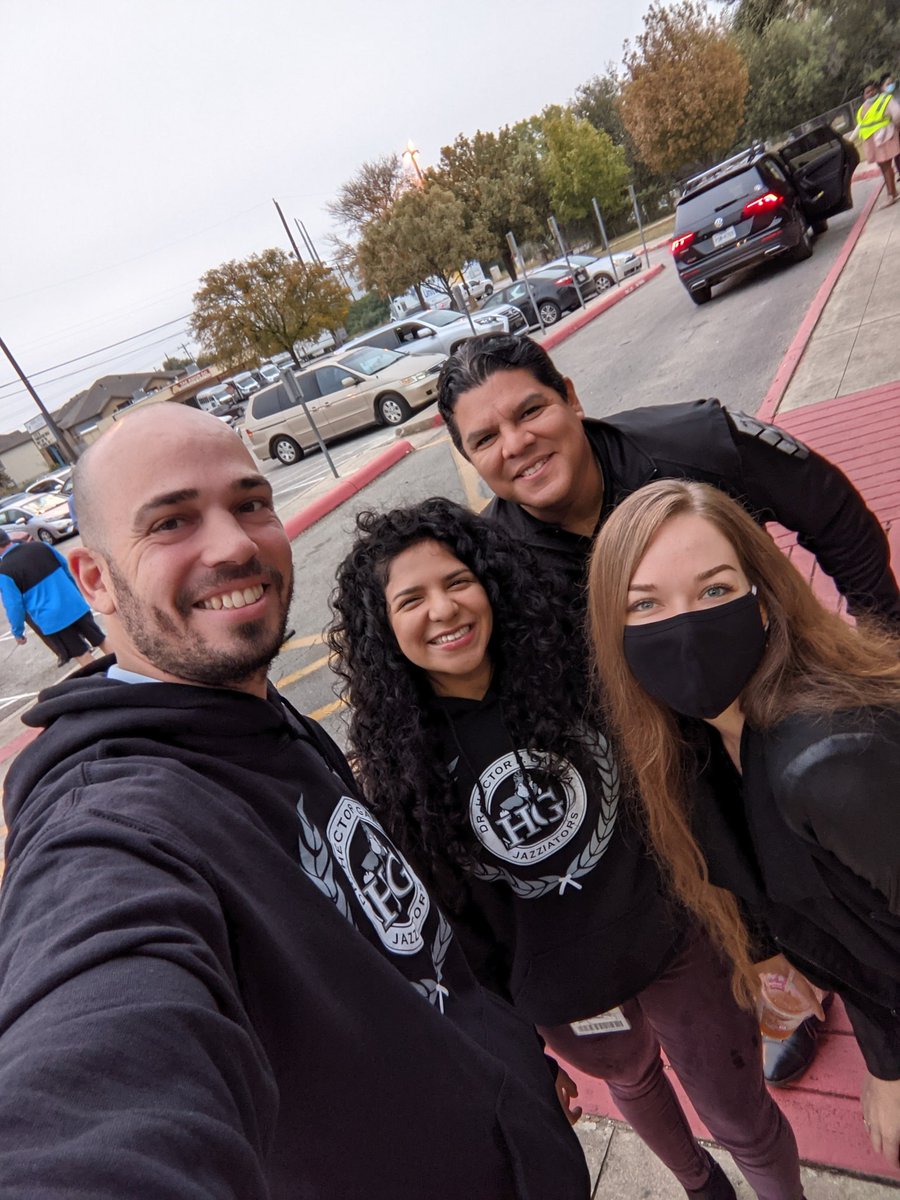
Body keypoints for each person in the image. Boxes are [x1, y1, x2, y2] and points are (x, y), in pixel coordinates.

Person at [0, 405, 589, 1200]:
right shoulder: (111, 829)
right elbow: (94, 1084)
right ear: (95, 579)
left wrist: (512, 1066)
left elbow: (402, 936)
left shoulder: (255, 709)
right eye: (171, 521)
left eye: (250, 503)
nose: (235, 543)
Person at [437, 332, 900, 1084]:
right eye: (485, 437)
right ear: (468, 455)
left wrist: (879, 662)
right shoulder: (498, 559)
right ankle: (787, 984)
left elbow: (837, 517)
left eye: (531, 411)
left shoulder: (695, 441)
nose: (517, 444)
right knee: (731, 872)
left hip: (773, 685)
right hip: (663, 744)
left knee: (840, 864)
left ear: (572, 397)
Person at [329, 496, 805, 1200]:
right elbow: (458, 936)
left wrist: (758, 929)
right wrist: (519, 1054)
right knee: (632, 1080)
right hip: (562, 994)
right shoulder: (400, 768)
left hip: (674, 940)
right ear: (383, 628)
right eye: (412, 599)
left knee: (742, 1112)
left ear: (489, 582)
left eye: (458, 581)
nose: (445, 609)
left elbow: (687, 792)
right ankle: (703, 1187)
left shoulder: (580, 671)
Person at [587, 478, 900, 1170]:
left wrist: (888, 1064)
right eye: (646, 604)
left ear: (764, 600)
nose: (686, 626)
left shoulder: (828, 760)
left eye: (715, 591)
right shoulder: (702, 747)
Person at [0, 528, 110, 667]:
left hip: (53, 620)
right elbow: (68, 570)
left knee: (82, 655)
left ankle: (108, 681)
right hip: (74, 604)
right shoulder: (41, 546)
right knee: (101, 639)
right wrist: (78, 594)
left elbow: (14, 605)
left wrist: (18, 631)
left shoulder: (4, 571)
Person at [855, 79, 900, 205]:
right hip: (871, 141)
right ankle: (893, 192)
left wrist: (896, 127)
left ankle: (891, 194)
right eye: (867, 92)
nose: (870, 93)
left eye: (872, 90)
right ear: (863, 96)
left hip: (884, 138)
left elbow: (897, 115)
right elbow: (860, 125)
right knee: (883, 167)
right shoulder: (862, 108)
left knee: (886, 166)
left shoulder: (885, 99)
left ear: (876, 89)